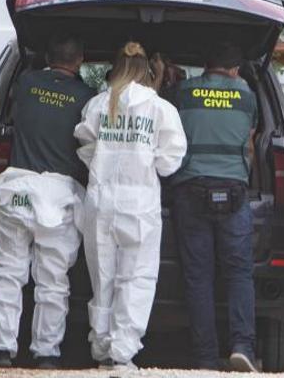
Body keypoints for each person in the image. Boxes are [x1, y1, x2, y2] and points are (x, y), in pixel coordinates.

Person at [0, 33, 96, 369]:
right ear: (80, 61)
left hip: (16, 194)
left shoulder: (27, 84)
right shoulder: (87, 98)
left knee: (6, 274)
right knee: (53, 282)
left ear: (47, 56)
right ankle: (46, 354)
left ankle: (0, 350)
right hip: (58, 201)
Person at [74, 41, 187, 370]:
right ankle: (122, 352)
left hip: (101, 199)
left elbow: (85, 147)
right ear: (146, 70)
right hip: (139, 203)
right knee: (136, 278)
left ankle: (102, 346)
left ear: (117, 67)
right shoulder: (160, 109)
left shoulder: (98, 104)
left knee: (102, 277)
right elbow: (170, 162)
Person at [167, 43, 259, 372]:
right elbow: (250, 141)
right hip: (233, 190)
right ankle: (242, 346)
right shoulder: (247, 95)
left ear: (206, 65)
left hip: (190, 189)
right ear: (235, 69)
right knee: (238, 274)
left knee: (198, 276)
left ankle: (205, 358)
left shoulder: (182, 92)